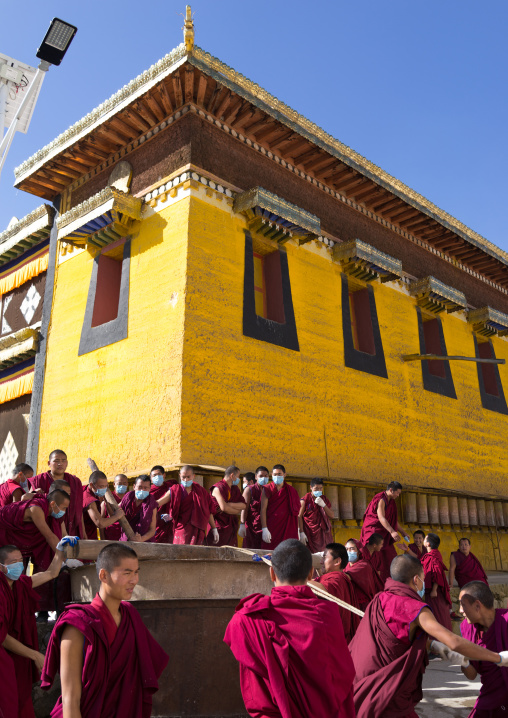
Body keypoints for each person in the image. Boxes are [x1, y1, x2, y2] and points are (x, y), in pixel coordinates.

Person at [349, 554, 508, 718]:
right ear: (416, 579)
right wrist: (498, 658)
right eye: (424, 578)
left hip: (364, 682)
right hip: (388, 691)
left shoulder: (378, 600)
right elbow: (453, 641)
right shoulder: (414, 608)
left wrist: (431, 644)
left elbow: (399, 636)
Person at [224, 539, 356, 718]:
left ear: (272, 573)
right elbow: (341, 680)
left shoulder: (248, 619)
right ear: (311, 574)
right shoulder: (328, 617)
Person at [41, 543, 169, 717]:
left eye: (136, 572)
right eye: (127, 573)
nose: (134, 580)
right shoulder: (77, 624)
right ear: (104, 575)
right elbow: (70, 699)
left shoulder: (130, 616)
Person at [0, 539, 70, 718]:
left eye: (20, 561)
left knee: (22, 701)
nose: (18, 566)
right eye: (12, 563)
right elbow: (2, 636)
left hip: (18, 654)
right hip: (4, 656)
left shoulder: (21, 584)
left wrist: (59, 550)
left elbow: (51, 573)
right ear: (1, 567)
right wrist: (34, 654)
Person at [459, 581, 508, 716]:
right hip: (489, 698)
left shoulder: (506, 621)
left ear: (477, 605)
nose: (460, 611)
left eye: (463, 605)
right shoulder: (467, 628)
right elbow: (472, 674)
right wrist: (460, 659)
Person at [308, 542, 361, 643]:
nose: (321, 561)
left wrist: (295, 576)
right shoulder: (333, 577)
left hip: (335, 639)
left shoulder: (337, 578)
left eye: (324, 557)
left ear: (337, 561)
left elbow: (323, 590)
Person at [360, 481, 409, 583]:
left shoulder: (391, 502)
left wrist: (403, 532)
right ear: (391, 490)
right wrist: (392, 532)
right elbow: (381, 517)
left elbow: (393, 521)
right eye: (397, 493)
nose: (398, 495)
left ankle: (388, 583)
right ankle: (371, 582)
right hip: (374, 532)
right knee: (372, 559)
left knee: (390, 557)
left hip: (384, 534)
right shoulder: (381, 499)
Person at [30, 450, 85, 539]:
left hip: (72, 529)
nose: (60, 464)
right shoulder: (39, 480)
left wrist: (83, 533)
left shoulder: (75, 481)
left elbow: (79, 508)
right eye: (56, 461)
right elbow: (29, 504)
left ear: (66, 463)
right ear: (49, 463)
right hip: (46, 528)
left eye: (63, 461)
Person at [157, 466, 219, 545]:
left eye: (188, 477)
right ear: (180, 476)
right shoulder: (175, 490)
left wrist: (214, 529)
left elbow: (208, 511)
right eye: (183, 477)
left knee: (197, 555)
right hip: (181, 530)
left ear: (194, 476)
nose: (186, 480)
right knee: (181, 554)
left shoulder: (201, 492)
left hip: (198, 530)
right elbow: (158, 503)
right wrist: (146, 501)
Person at [260, 465, 301, 550]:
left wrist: (298, 529)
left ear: (284, 474)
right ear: (272, 475)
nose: (277, 476)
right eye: (275, 474)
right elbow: (263, 510)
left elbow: (296, 512)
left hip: (288, 527)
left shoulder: (291, 491)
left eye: (279, 474)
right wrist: (264, 528)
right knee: (270, 551)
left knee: (288, 552)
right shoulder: (267, 489)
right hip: (272, 527)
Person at [206, 466, 245, 547]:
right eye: (237, 476)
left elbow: (244, 505)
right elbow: (224, 508)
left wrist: (229, 505)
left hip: (231, 527)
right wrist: (237, 510)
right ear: (232, 476)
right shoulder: (218, 488)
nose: (238, 479)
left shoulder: (235, 489)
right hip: (219, 526)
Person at [422, 532, 452, 630]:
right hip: (430, 591)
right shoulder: (432, 555)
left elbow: (437, 572)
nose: (423, 540)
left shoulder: (433, 557)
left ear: (428, 544)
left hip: (435, 592)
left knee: (438, 615)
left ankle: (441, 637)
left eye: (425, 539)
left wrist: (434, 589)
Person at [82, 471, 125, 540]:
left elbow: (110, 514)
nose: (104, 489)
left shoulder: (94, 492)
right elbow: (100, 523)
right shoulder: (89, 500)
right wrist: (117, 516)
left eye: (106, 486)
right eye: (101, 486)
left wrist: (106, 502)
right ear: (91, 485)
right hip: (86, 538)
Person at [344, 538, 383, 610]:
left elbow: (344, 577)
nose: (348, 551)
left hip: (362, 605)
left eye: (352, 549)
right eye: (346, 549)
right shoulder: (345, 565)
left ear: (358, 551)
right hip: (349, 603)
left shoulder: (363, 565)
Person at [298, 478, 334, 553]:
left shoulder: (324, 499)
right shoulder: (305, 500)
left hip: (323, 534)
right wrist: (301, 532)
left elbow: (332, 515)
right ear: (311, 487)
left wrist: (323, 505)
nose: (319, 490)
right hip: (309, 533)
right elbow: (299, 516)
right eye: (316, 488)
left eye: (321, 488)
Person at [238, 466, 269, 549]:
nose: (264, 478)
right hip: (251, 528)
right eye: (261, 476)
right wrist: (242, 524)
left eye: (266, 476)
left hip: (265, 527)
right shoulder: (249, 489)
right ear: (256, 477)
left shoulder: (269, 490)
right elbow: (245, 508)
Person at [119, 476, 157, 542]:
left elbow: (152, 530)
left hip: (145, 542)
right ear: (134, 487)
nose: (142, 490)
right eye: (140, 487)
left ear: (150, 489)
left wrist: (141, 539)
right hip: (126, 538)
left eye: (145, 488)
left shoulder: (151, 503)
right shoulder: (128, 498)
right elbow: (117, 511)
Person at [149, 465, 177, 544]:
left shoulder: (171, 486)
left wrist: (172, 515)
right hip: (156, 524)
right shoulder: (148, 491)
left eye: (159, 474)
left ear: (164, 475)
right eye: (154, 475)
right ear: (151, 478)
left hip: (171, 522)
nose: (157, 477)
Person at [102, 474, 129, 540]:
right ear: (114, 484)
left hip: (127, 535)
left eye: (124, 483)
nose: (122, 485)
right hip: (111, 536)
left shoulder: (130, 499)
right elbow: (101, 523)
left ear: (127, 484)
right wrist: (102, 540)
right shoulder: (107, 500)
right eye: (119, 483)